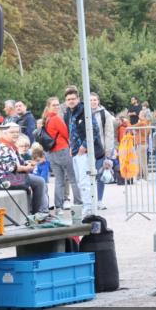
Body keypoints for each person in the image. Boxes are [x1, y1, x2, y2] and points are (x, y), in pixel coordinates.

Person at [0, 124, 49, 221]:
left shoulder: (9, 145)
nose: (15, 134)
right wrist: (26, 168)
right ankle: (36, 214)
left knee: (38, 181)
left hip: (11, 177)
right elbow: (10, 167)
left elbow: (18, 162)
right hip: (3, 180)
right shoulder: (2, 147)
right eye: (12, 132)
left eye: (17, 132)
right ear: (4, 133)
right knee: (37, 182)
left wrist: (29, 163)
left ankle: (37, 213)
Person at [64, 86, 100, 217]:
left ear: (78, 99)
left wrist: (84, 146)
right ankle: (86, 206)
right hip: (74, 151)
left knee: (85, 181)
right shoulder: (67, 113)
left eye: (73, 98)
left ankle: (89, 209)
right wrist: (70, 146)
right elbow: (70, 131)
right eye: (68, 99)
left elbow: (94, 130)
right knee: (80, 182)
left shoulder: (85, 110)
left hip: (84, 152)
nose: (71, 101)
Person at [41, 96, 77, 210]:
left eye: (57, 105)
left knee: (59, 180)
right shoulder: (56, 118)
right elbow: (67, 134)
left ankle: (58, 205)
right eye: (54, 105)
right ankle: (79, 203)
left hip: (51, 152)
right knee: (73, 178)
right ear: (49, 107)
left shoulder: (46, 119)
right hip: (62, 150)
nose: (57, 107)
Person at [90, 92, 117, 210]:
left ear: (98, 101)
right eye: (90, 100)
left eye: (95, 100)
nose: (93, 102)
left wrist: (108, 151)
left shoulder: (104, 114)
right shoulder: (83, 113)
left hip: (101, 150)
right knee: (87, 177)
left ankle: (99, 200)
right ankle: (90, 200)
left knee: (100, 175)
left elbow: (109, 133)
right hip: (87, 150)